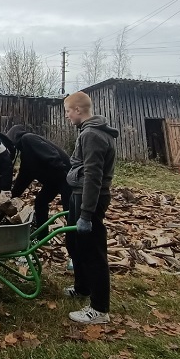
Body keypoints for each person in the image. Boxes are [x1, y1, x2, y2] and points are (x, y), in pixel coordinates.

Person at [63, 91, 119, 325]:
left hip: (90, 199)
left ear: (78, 110)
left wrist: (86, 214)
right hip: (80, 196)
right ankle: (83, 287)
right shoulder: (88, 132)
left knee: (93, 251)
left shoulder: (92, 136)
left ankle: (99, 309)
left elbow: (93, 177)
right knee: (76, 244)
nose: (67, 116)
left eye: (67, 111)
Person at [6, 124, 72, 237]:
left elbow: (53, 155)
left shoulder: (29, 139)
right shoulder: (26, 155)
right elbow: (24, 178)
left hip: (65, 177)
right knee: (40, 202)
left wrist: (64, 176)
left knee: (69, 210)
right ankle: (42, 235)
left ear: (14, 138)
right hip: (54, 180)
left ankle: (76, 240)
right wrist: (11, 197)